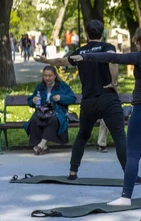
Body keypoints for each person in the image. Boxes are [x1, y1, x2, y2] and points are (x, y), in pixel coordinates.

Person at [70, 26, 141, 206]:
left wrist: (86, 56)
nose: (135, 44)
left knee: (133, 154)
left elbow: (113, 57)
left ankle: (126, 197)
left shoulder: (140, 58)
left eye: (137, 40)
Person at [35, 20, 128, 179]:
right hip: (108, 99)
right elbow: (112, 60)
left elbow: (61, 61)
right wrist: (114, 82)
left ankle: (72, 172)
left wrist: (46, 61)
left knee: (82, 136)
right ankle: (130, 174)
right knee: (119, 135)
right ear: (102, 33)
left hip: (88, 101)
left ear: (86, 34)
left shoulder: (81, 51)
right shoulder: (107, 48)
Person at [25, 66, 76, 155]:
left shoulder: (62, 86)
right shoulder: (40, 86)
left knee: (53, 119)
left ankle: (40, 145)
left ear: (55, 76)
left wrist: (61, 98)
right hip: (42, 112)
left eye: (50, 76)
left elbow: (72, 98)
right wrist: (33, 101)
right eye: (45, 76)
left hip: (58, 112)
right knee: (34, 119)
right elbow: (30, 101)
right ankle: (44, 147)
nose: (47, 78)